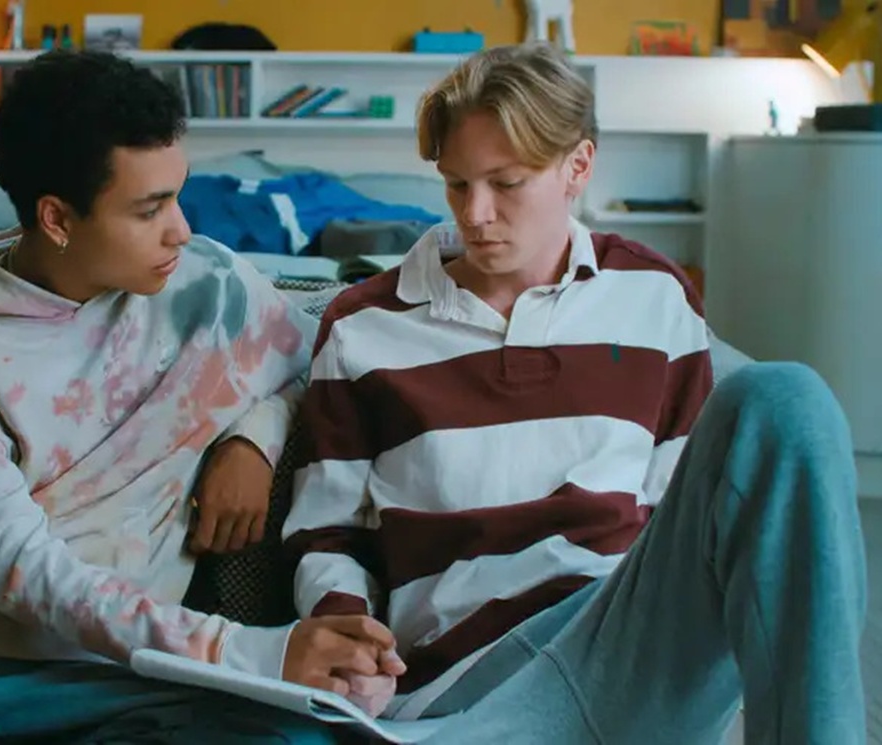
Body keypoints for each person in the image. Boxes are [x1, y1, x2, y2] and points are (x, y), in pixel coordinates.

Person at [0, 50, 402, 743]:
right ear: (57, 218)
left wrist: (256, 434)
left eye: (178, 196)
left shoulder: (211, 287)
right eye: (149, 210)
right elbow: (19, 567)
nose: (182, 229)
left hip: (113, 674)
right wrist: (254, 650)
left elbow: (325, 358)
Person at [283, 41, 869, 743]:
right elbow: (327, 532)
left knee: (787, 397)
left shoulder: (654, 295)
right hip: (474, 690)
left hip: (632, 650)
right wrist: (346, 631)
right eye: (457, 184)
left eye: (506, 183)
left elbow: (680, 512)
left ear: (578, 167)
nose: (476, 214)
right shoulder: (363, 326)